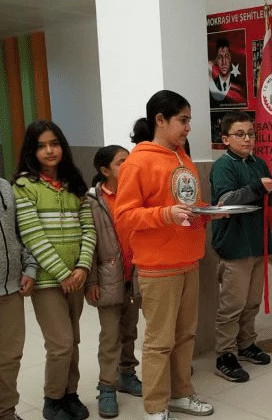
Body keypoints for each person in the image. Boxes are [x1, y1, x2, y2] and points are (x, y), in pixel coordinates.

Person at [115, 90, 222, 420]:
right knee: (160, 341)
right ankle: (155, 407)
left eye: (189, 120)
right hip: (158, 265)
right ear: (159, 120)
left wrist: (207, 213)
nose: (189, 127)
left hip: (189, 259)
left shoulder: (182, 157)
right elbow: (124, 216)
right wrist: (164, 215)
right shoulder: (139, 161)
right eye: (183, 120)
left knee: (185, 335)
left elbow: (184, 207)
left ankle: (181, 393)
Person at [13, 120, 97, 420]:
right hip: (49, 280)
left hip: (76, 275)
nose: (49, 150)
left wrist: (83, 267)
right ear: (31, 151)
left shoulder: (75, 184)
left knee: (73, 339)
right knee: (60, 342)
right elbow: (32, 235)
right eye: (41, 146)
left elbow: (89, 229)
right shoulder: (24, 186)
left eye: (55, 143)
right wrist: (63, 273)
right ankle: (52, 399)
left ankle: (69, 393)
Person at [210, 111, 272, 383]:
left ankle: (246, 343)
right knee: (233, 304)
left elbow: (270, 200)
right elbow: (227, 202)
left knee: (251, 301)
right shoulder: (223, 166)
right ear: (225, 139)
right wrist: (257, 188)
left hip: (258, 241)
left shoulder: (259, 163)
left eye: (251, 133)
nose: (248, 139)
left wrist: (268, 192)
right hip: (235, 244)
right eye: (240, 134)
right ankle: (224, 354)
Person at [85, 145, 142, 418]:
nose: (128, 167)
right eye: (121, 163)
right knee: (110, 336)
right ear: (104, 170)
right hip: (107, 278)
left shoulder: (136, 194)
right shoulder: (92, 201)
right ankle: (106, 387)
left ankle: (126, 374)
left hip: (136, 275)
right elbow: (90, 244)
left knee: (130, 331)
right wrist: (91, 281)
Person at [0, 177, 38, 420]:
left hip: (10, 289)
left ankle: (6, 411)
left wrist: (30, 267)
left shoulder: (5, 187)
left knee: (10, 357)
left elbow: (20, 232)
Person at [208, 38, 246, 108]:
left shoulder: (239, 84)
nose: (224, 62)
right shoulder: (210, 86)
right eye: (220, 57)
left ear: (230, 58)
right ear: (216, 60)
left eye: (226, 56)